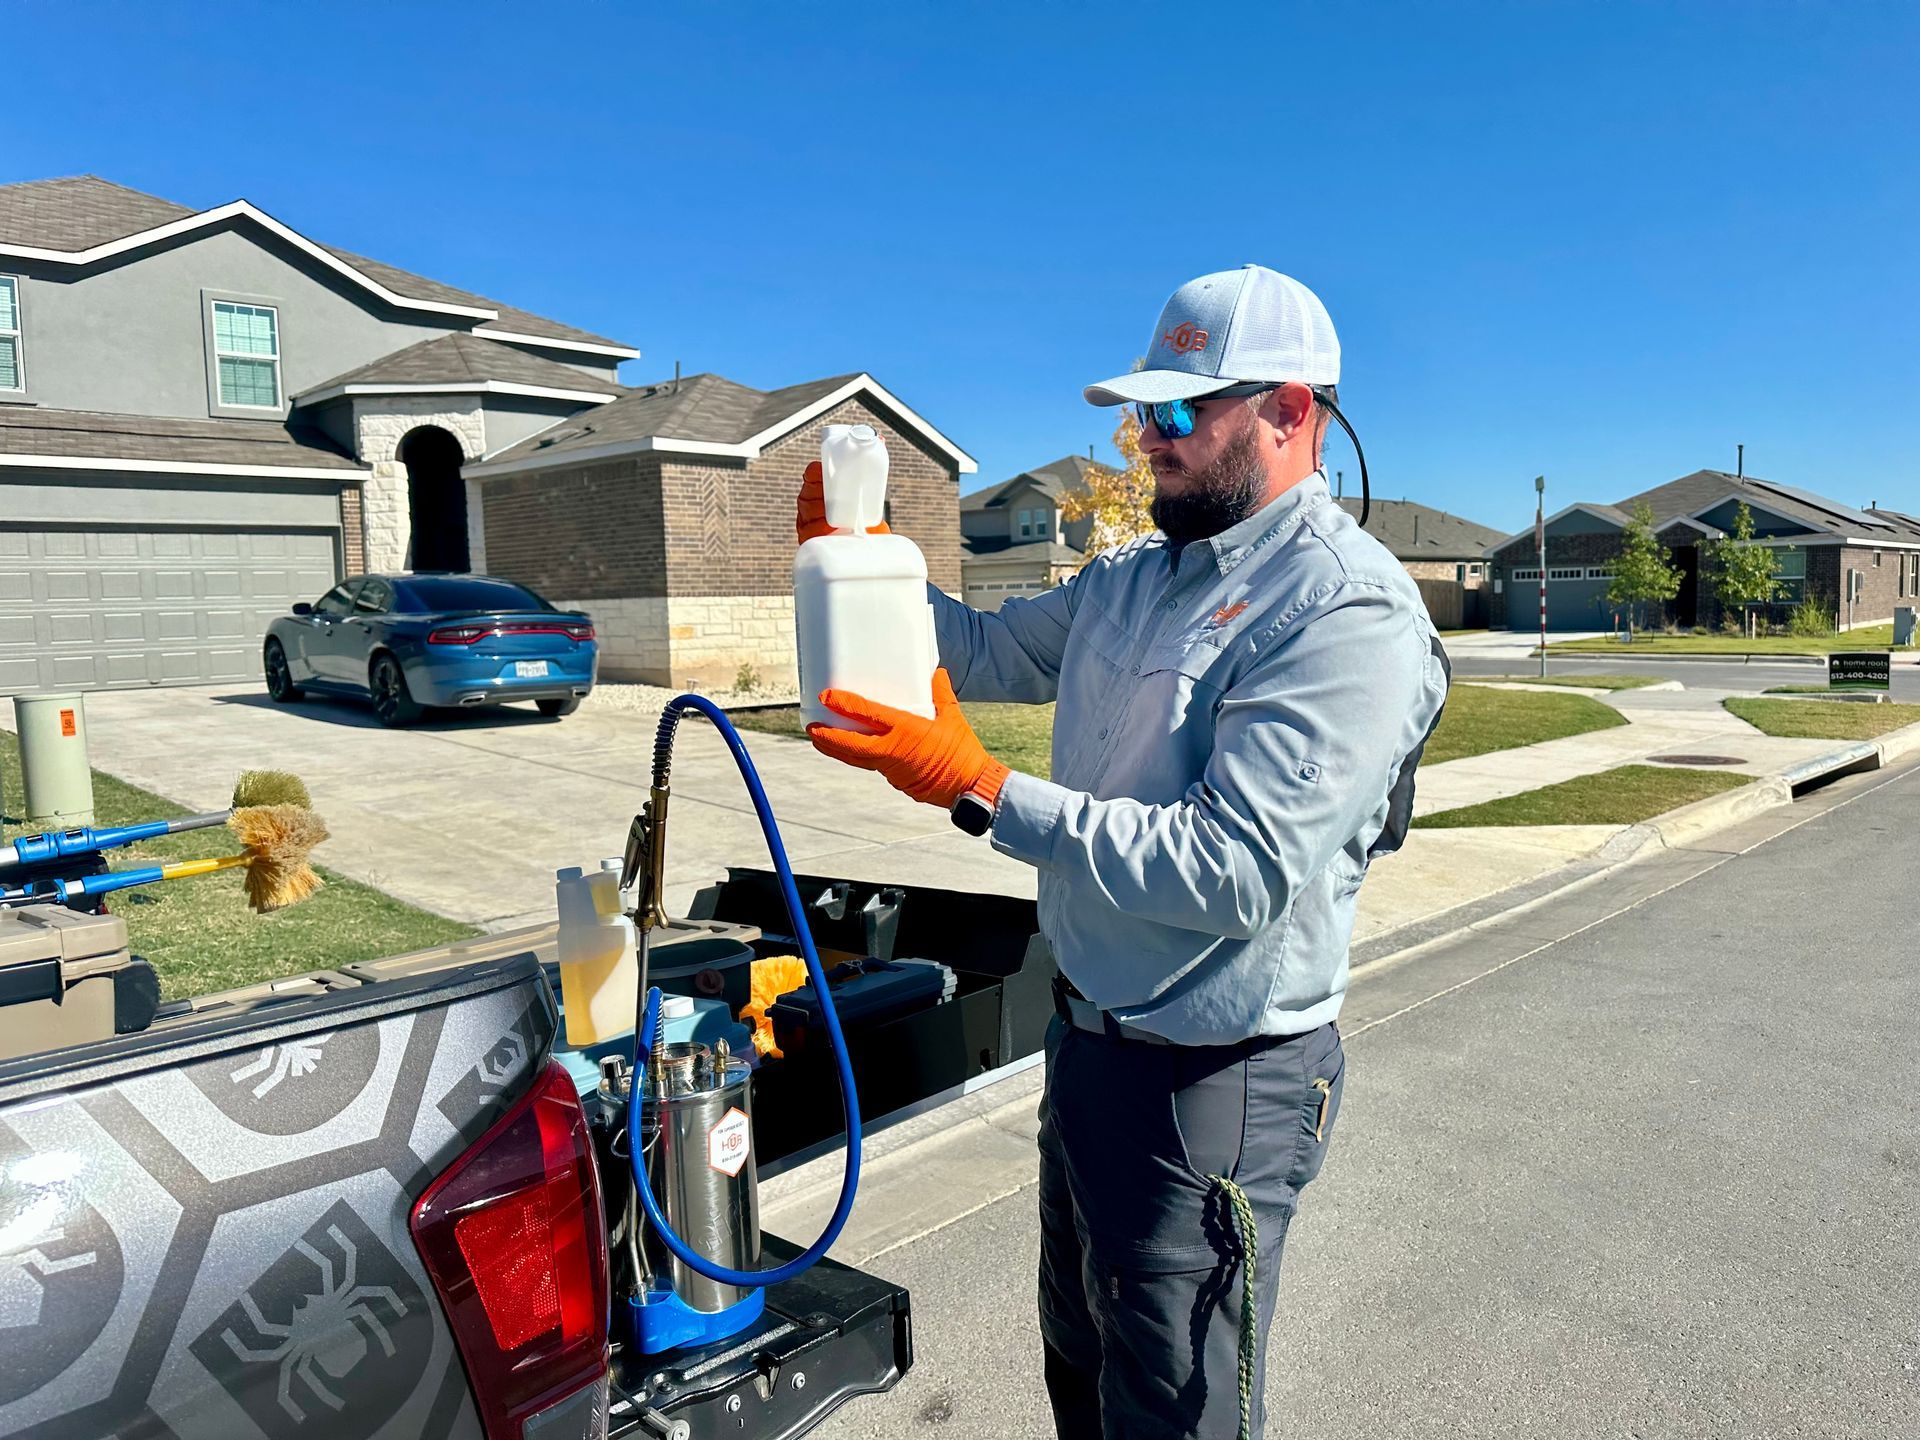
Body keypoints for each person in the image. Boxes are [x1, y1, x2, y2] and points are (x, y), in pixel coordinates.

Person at [797, 264, 1450, 1439]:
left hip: (1219, 1084)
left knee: (1172, 1413)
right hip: (1090, 1046)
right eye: (1140, 411)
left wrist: (985, 789)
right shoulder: (1133, 579)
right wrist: (868, 564)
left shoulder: (1344, 610)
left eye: (1180, 411)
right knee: (1082, 1374)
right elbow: (985, 650)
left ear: (1290, 411)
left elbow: (1234, 868)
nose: (1146, 437)